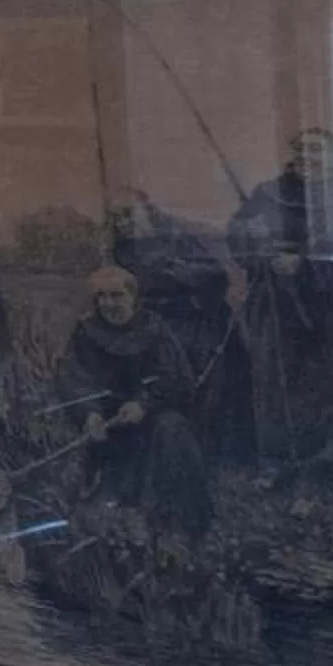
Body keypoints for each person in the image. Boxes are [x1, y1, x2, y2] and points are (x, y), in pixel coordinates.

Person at [227, 129, 333, 461]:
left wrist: (303, 262)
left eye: (316, 150)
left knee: (325, 373)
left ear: (332, 157)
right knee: (276, 372)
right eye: (300, 148)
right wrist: (257, 245)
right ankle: (280, 453)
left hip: (322, 297)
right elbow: (238, 231)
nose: (307, 156)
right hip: (274, 299)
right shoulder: (267, 193)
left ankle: (330, 451)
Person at [56, 267, 214, 544]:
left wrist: (144, 403)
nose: (108, 304)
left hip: (153, 418)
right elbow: (74, 378)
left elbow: (177, 379)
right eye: (101, 296)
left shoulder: (154, 329)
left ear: (133, 297)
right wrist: (90, 412)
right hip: (106, 423)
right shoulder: (86, 331)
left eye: (116, 295)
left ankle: (178, 522)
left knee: (172, 428)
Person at [108, 190, 256, 466]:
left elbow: (213, 275)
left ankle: (215, 456)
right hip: (152, 325)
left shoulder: (175, 236)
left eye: (127, 215)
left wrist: (177, 275)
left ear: (146, 211)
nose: (121, 223)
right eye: (115, 218)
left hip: (198, 321)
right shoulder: (122, 249)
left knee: (203, 382)